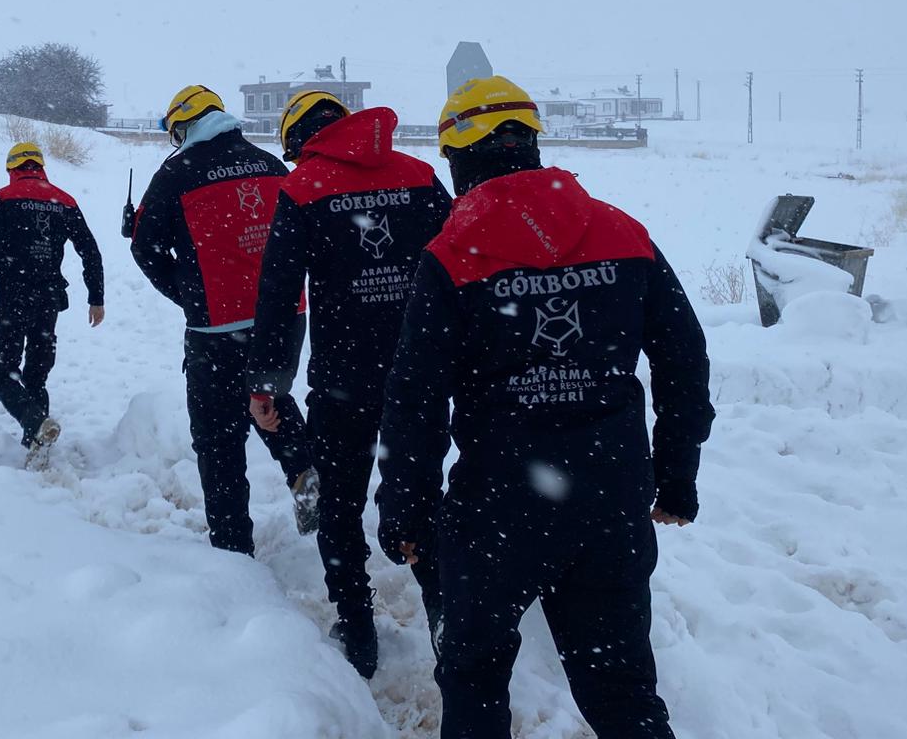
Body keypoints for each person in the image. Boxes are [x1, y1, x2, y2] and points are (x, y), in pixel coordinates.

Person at [377, 76, 714, 739]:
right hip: (610, 501)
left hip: (499, 510)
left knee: (474, 680)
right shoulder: (624, 233)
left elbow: (415, 400)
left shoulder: (452, 255)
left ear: (460, 156)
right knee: (621, 689)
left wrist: (406, 511)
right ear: (529, 141)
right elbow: (684, 360)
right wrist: (675, 473)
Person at [248, 89, 453, 677]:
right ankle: (441, 608)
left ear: (299, 142)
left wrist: (265, 382)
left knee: (338, 507)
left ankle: (357, 629)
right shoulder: (419, 176)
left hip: (344, 383)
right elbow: (460, 257)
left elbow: (278, 291)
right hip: (420, 375)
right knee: (419, 494)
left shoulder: (303, 188)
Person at [130, 85, 319, 555]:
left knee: (217, 439)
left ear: (182, 126)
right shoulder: (271, 163)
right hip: (285, 316)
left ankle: (233, 550)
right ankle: (302, 467)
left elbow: (146, 247)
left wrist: (190, 295)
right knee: (267, 392)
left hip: (217, 326)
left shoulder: (176, 172)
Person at [0, 141, 105, 456]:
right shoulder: (64, 201)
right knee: (36, 376)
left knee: (1, 371)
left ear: (12, 168)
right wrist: (96, 296)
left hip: (12, 299)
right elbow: (90, 252)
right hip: (48, 300)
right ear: (40, 166)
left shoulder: (4, 198)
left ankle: (33, 420)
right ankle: (38, 442)